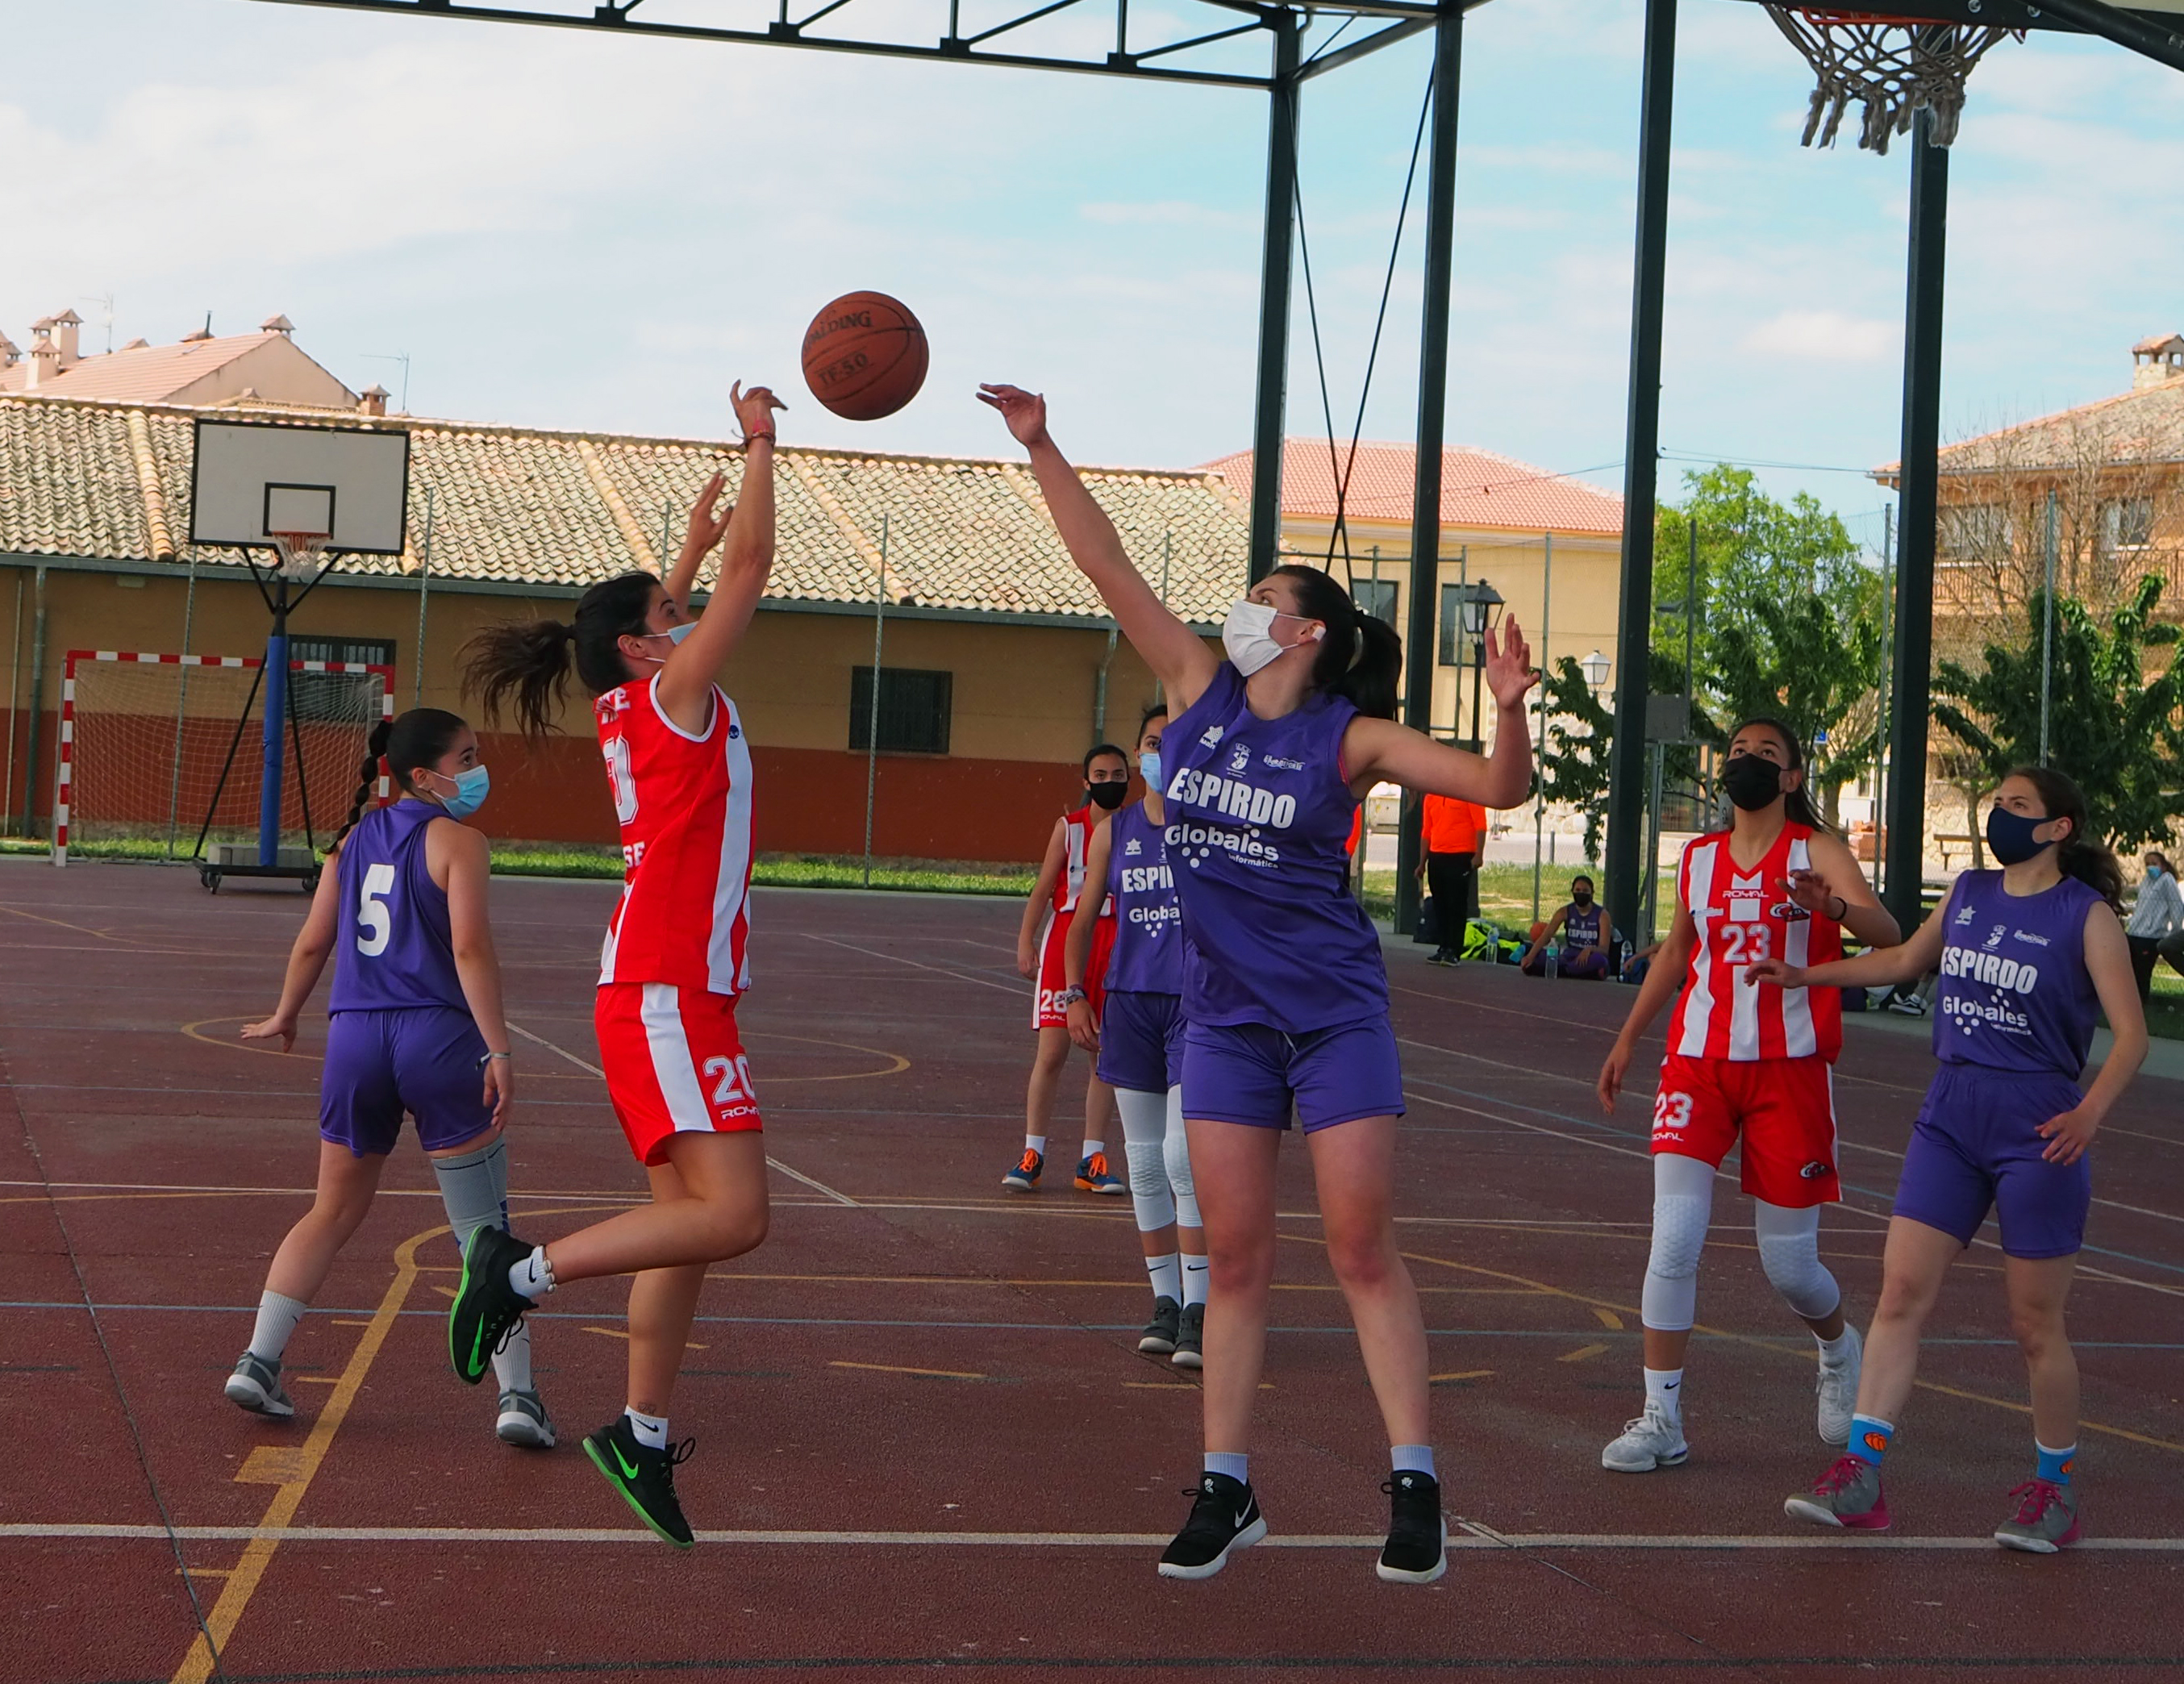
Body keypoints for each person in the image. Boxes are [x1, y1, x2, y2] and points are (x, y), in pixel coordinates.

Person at [982, 381, 1536, 1586]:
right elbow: (1106, 564)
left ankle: (1415, 1480)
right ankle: (1227, 1487)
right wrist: (1043, 444)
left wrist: (1507, 715)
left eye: (1262, 602)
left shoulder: (1348, 737)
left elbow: (1499, 794)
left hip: (1334, 1022)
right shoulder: (1196, 690)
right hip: (1223, 1021)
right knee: (1232, 1257)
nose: (1238, 613)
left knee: (1358, 1248)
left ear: (1306, 633)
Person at [452, 385, 782, 1549]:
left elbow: (681, 597)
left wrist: (679, 550)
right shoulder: (674, 697)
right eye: (670, 613)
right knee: (735, 1217)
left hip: (667, 987)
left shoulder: (637, 693)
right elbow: (748, 577)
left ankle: (639, 1438)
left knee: (686, 1220)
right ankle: (520, 1274)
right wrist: (760, 446)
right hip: (665, 991)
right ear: (647, 647)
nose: (688, 614)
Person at [1757, 768, 2143, 1553]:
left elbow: (2130, 1035)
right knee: (1898, 1292)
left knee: (2034, 1323)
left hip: (2037, 1123)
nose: (1997, 814)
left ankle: (2053, 1489)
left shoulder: (2084, 916)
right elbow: (1900, 962)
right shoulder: (1966, 892)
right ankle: (1861, 1476)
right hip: (1951, 1113)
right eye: (1996, 801)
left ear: (2057, 827)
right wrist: (1806, 974)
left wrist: (2087, 1113)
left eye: (2017, 806)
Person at [228, 710, 548, 1447]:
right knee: (483, 1233)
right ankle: (518, 1399)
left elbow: (313, 944)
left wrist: (284, 1014)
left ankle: (259, 1357)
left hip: (355, 1039)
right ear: (423, 775)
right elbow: (469, 948)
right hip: (437, 1037)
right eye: (466, 757)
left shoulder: (348, 843)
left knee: (329, 1212)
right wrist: (498, 1048)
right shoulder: (460, 842)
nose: (476, 769)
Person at [1594, 718, 1903, 1476]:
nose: (1747, 762)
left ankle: (1837, 1346)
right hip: (1697, 1062)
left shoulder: (1815, 853)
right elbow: (1678, 950)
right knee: (1675, 1237)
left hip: (1788, 1070)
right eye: (1737, 751)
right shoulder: (1697, 857)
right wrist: (1631, 1036)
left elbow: (1890, 933)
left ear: (1793, 777)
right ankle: (1661, 1416)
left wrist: (1833, 910)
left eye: (1767, 754)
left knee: (1789, 1267)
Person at [1064, 705, 1206, 1366]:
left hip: (1197, 1005)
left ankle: (1203, 1309)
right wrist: (1073, 995)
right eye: (1151, 742)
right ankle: (1166, 1303)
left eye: (1168, 744)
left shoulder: (1209, 825)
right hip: (1130, 1003)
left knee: (1182, 1158)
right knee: (1145, 1162)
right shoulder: (1113, 832)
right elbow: (1083, 916)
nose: (1158, 754)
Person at [1005, 745, 1128, 1195]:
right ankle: (1032, 1152)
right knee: (1052, 1054)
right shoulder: (1069, 829)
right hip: (1066, 945)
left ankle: (1092, 1157)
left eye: (1118, 773)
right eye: (1101, 773)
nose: (1110, 780)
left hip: (1117, 943)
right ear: (1086, 782)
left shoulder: (1134, 827)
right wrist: (1026, 941)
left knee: (1105, 1057)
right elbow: (1041, 891)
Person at [1416, 793, 1485, 964]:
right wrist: (1422, 863)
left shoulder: (1469, 794)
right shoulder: (1431, 797)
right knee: (1440, 903)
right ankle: (1443, 947)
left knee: (1457, 904)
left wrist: (1478, 855)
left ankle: (1454, 950)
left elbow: (1481, 825)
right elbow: (1427, 831)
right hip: (1436, 854)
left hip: (1461, 855)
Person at [1519, 875, 1612, 979]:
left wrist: (1590, 949)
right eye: (1578, 890)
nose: (1581, 893)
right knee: (1541, 955)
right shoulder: (1565, 911)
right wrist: (1530, 957)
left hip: (1590, 957)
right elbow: (1547, 935)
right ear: (1572, 891)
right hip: (1570, 955)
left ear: (1592, 893)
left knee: (1600, 960)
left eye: (1585, 891)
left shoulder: (1602, 915)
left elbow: (1604, 949)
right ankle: (1573, 971)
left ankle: (1561, 971)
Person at [2122, 849, 2182, 1004]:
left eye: (2154, 864)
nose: (2150, 867)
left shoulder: (2167, 880)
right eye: (2147, 864)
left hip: (2152, 934)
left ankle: (2142, 1001)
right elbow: (2142, 905)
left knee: (2143, 971)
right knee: (2130, 968)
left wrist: (2175, 931)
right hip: (2136, 930)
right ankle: (2130, 1000)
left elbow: (2176, 906)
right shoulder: (2146, 882)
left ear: (2163, 865)